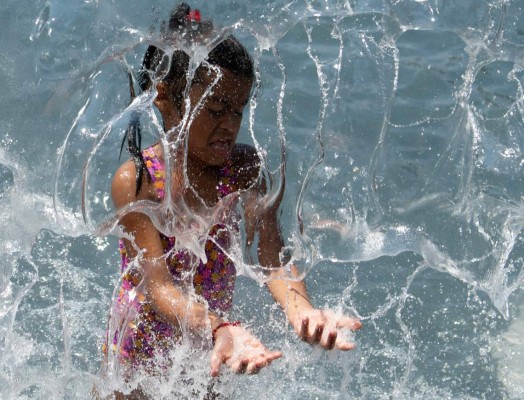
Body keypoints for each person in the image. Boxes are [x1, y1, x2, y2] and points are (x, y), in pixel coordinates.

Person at [103, 3, 361, 395]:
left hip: (217, 345)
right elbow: (159, 290)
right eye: (216, 110)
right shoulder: (139, 182)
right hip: (142, 354)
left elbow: (272, 254)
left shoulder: (244, 170)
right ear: (165, 99)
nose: (230, 125)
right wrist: (218, 325)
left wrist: (302, 311)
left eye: (238, 111)